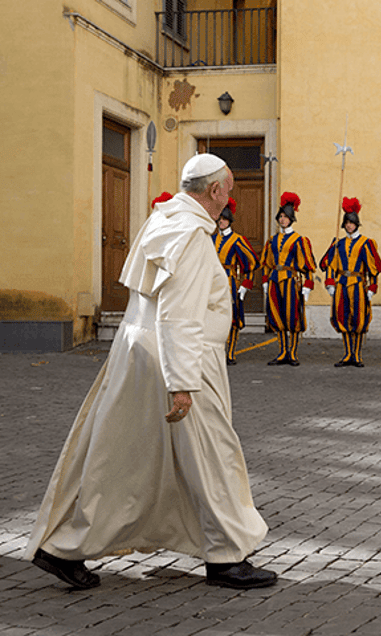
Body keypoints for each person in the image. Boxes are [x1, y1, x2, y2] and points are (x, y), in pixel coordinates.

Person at [26, 154, 276, 590]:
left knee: (124, 459)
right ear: (214, 190)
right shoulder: (193, 236)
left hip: (138, 356)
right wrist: (182, 384)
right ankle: (225, 559)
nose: (231, 197)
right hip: (184, 361)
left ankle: (62, 548)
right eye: (229, 188)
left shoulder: (164, 220)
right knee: (213, 457)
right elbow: (178, 315)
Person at [320, 197, 381, 367]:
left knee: (358, 319)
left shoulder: (365, 243)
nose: (349, 225)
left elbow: (373, 267)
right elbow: (329, 265)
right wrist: (330, 283)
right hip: (341, 284)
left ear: (357, 224)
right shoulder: (338, 244)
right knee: (343, 317)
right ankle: (347, 354)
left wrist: (373, 286)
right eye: (347, 222)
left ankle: (357, 355)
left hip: (358, 284)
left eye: (352, 222)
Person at [261, 192, 316, 366]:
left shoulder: (300, 240)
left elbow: (308, 265)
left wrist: (307, 286)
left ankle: (292, 353)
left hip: (291, 281)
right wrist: (264, 281)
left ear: (292, 219)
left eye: (286, 217)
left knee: (292, 317)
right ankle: (282, 351)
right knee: (278, 317)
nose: (283, 220)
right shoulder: (272, 240)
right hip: (275, 280)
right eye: (281, 217)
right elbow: (266, 262)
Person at [213, 197, 259, 365]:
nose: (222, 222)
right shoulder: (212, 238)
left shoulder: (237, 240)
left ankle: (230, 352)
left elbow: (252, 262)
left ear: (229, 221)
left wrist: (246, 283)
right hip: (213, 282)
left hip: (230, 281)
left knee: (231, 318)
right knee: (213, 316)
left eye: (224, 219)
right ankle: (217, 352)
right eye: (220, 219)